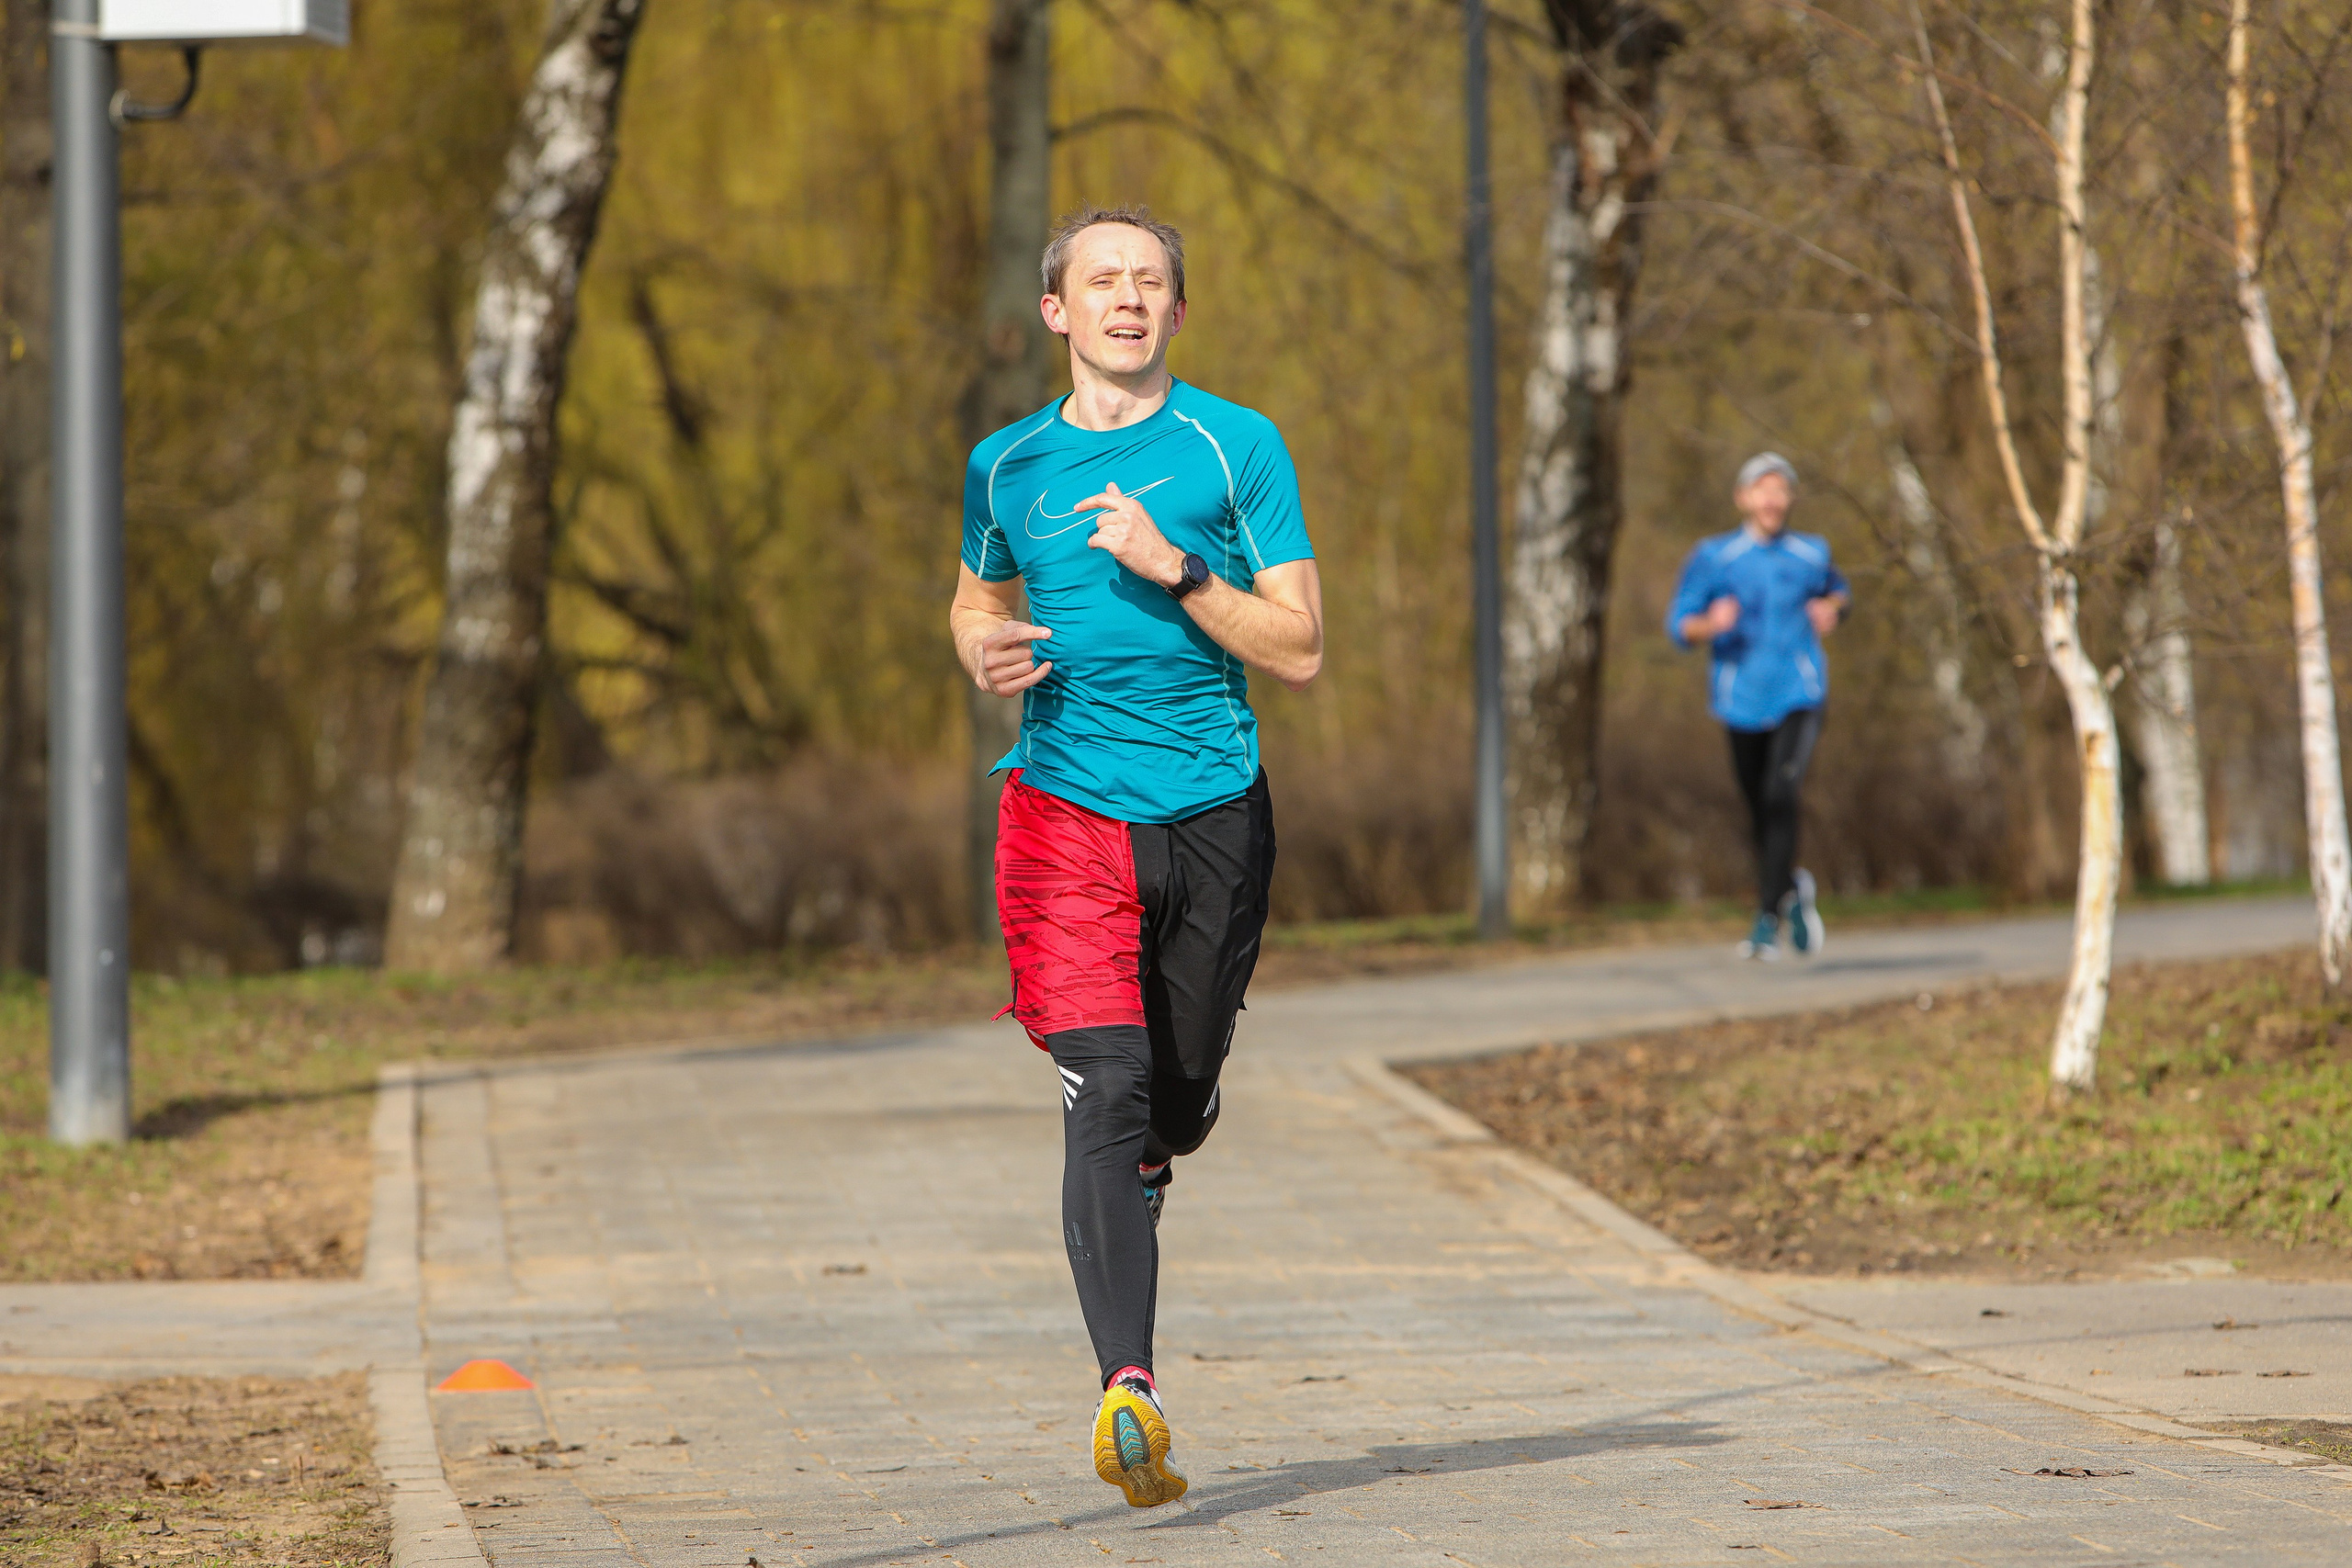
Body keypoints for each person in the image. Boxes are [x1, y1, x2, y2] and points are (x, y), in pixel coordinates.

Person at [947, 206, 1322, 1508]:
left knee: (1172, 1093)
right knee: (1101, 1084)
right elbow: (975, 596)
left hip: (1216, 800)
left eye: (1150, 281)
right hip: (1061, 805)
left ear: (1176, 308)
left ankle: (1174, 1125)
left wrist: (1178, 571)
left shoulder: (1238, 447)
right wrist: (978, 649)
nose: (1126, 298)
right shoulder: (1006, 466)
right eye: (1101, 279)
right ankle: (1129, 1386)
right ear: (1057, 309)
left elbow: (1301, 645)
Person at [1665, 453, 1848, 961]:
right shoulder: (1714, 558)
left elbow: (1839, 592)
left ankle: (1766, 918)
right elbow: (1679, 625)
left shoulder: (1812, 553)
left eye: (1781, 490)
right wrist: (1710, 623)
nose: (1772, 499)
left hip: (1800, 693)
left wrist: (1832, 609)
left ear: (1789, 499)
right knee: (1758, 808)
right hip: (1740, 701)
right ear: (1743, 498)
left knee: (1781, 793)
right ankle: (1791, 888)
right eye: (1762, 489)